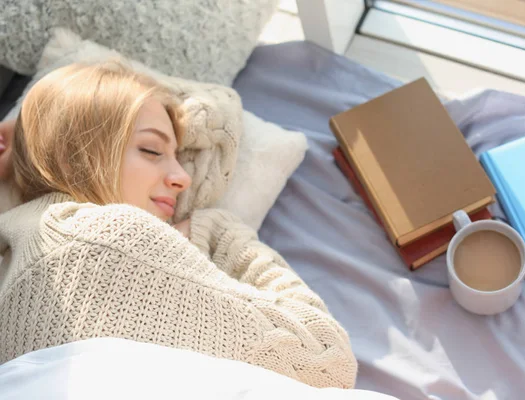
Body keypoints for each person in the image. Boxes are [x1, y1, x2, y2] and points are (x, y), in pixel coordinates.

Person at [0, 62, 357, 389]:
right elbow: (328, 362)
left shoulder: (18, 249)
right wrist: (219, 231)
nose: (183, 178)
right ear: (74, 150)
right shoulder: (109, 238)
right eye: (152, 150)